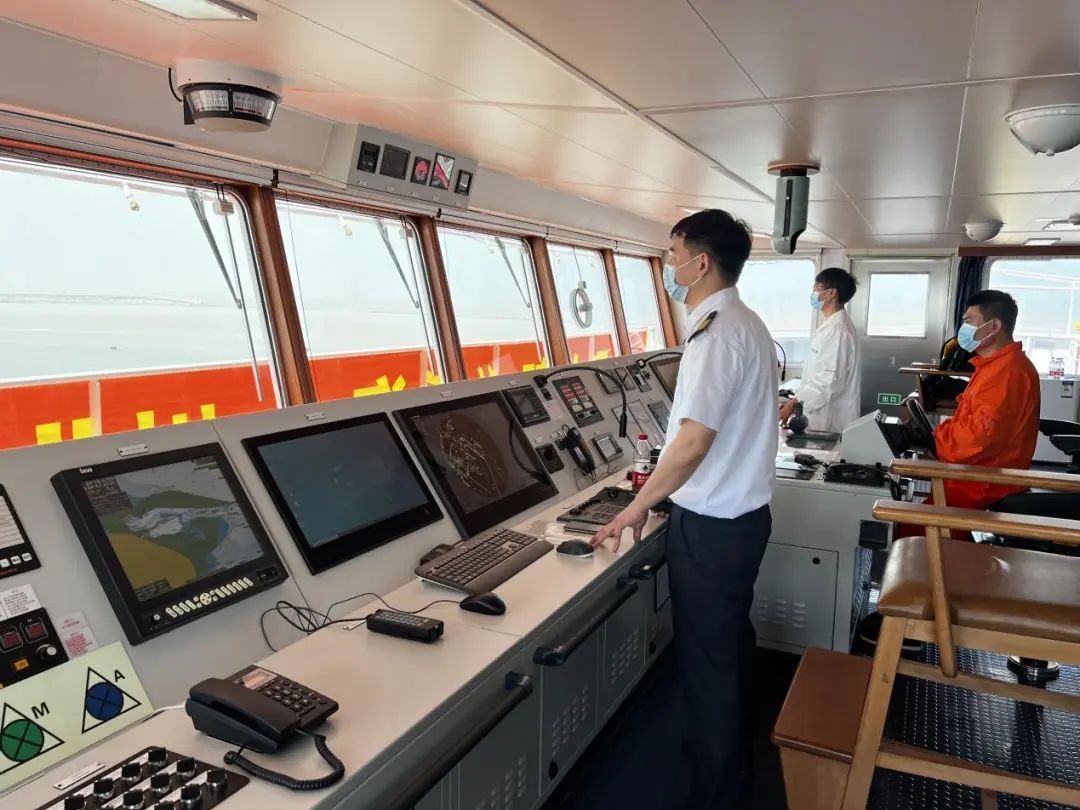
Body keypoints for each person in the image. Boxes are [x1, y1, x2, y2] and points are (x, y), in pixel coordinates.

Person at [590, 209, 778, 810]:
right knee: (727, 649)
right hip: (740, 522)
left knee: (707, 664)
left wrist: (636, 506)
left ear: (700, 263)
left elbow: (693, 441)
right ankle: (734, 761)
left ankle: (718, 792)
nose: (668, 266)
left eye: (672, 255)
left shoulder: (714, 334)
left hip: (714, 529)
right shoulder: (746, 323)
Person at [934, 289, 1040, 509]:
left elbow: (977, 439)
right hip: (974, 476)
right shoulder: (994, 366)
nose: (964, 328)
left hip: (983, 485)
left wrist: (938, 438)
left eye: (969, 321)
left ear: (994, 326)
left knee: (904, 523)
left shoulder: (1007, 372)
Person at [779, 267, 861, 433]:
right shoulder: (831, 326)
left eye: (816, 288)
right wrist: (796, 401)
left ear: (831, 293)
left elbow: (829, 381)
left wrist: (794, 403)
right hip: (821, 415)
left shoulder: (838, 330)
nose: (813, 294)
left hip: (829, 420)